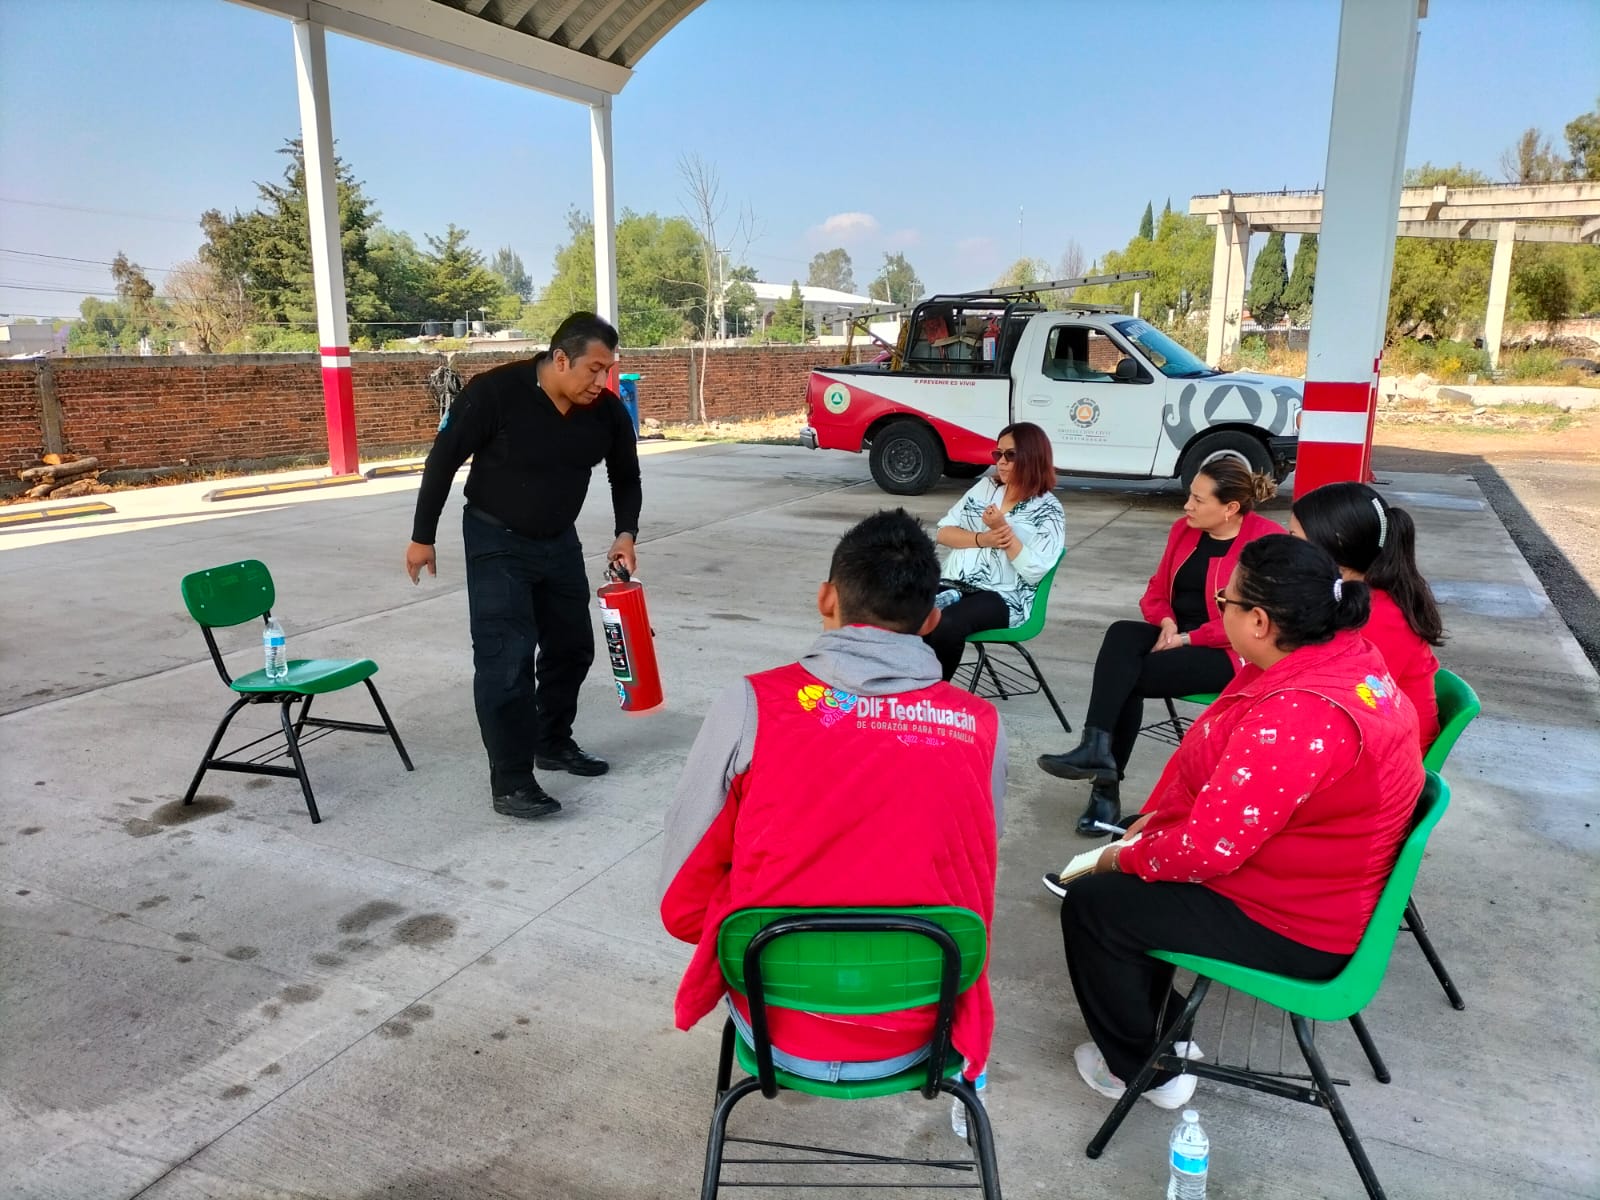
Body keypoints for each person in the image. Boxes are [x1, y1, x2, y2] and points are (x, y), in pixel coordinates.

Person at [1058, 535, 1423, 1110]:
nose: (1217, 607)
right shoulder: (1345, 657)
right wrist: (1158, 823)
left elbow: (1208, 853)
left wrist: (1119, 855)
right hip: (1317, 884)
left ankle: (1143, 1070)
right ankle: (1164, 1031)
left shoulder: (1301, 712)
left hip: (1298, 923)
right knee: (1136, 878)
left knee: (1096, 902)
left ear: (1258, 620)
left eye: (1223, 599)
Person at [659, 509, 1006, 1083]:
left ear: (826, 598)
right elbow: (976, 865)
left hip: (776, 1027)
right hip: (922, 1032)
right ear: (932, 621)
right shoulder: (980, 725)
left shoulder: (752, 705)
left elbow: (681, 897)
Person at [404, 312, 641, 821]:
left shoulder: (605, 411)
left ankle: (551, 743)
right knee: (505, 662)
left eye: (609, 370)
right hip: (495, 537)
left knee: (572, 647)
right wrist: (422, 536)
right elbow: (442, 459)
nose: (602, 382)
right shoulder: (495, 393)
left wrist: (626, 532)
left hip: (558, 541)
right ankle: (510, 781)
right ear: (560, 359)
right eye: (594, 369)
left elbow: (626, 473)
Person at [1037, 454, 1281, 835]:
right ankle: (1096, 749)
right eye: (1190, 496)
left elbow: (1254, 621)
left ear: (1231, 508)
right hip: (1174, 635)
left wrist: (1189, 637)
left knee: (1127, 678)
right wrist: (1166, 621)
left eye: (1199, 500)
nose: (1188, 505)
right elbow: (1155, 590)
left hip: (1230, 653)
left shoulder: (1266, 542)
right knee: (1121, 634)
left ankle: (1105, 782)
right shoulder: (1184, 531)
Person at [1290, 482, 1444, 747]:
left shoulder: (1377, 615)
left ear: (1335, 543)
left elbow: (1336, 697)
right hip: (1367, 730)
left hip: (1389, 755)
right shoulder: (1353, 592)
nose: (1287, 549)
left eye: (1294, 539)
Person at [924, 422, 1065, 682]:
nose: (1001, 461)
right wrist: (983, 538)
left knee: (947, 623)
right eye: (997, 454)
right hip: (954, 582)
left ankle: (933, 697)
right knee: (904, 610)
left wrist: (1003, 530)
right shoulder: (986, 489)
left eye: (1010, 455)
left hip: (1002, 596)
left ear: (1032, 457)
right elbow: (943, 533)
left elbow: (1034, 571)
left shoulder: (1048, 510)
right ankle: (905, 688)